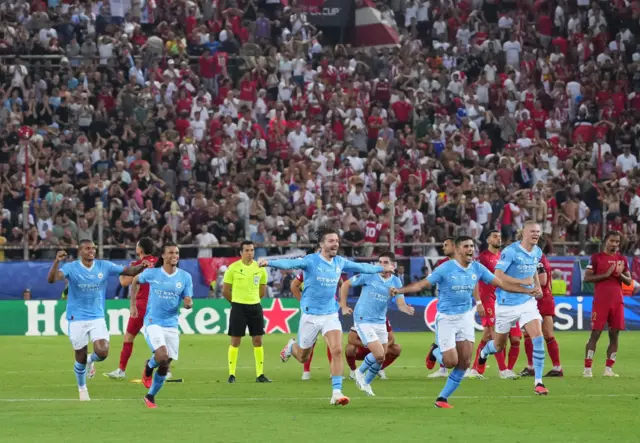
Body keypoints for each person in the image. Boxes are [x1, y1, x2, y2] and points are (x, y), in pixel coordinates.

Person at [391, 236, 537, 408]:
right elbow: (421, 285)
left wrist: (526, 291)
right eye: (466, 246)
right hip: (446, 318)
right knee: (450, 362)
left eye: (472, 246)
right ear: (458, 249)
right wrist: (399, 290)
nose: (470, 249)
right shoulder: (445, 268)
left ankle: (442, 398)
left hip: (466, 317)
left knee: (465, 363)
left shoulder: (477, 267)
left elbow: (501, 283)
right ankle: (434, 352)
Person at [258, 227, 394, 406]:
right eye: (331, 241)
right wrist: (268, 263)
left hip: (330, 314)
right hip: (310, 316)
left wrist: (380, 268)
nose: (335, 244)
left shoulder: (340, 262)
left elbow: (361, 266)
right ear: (321, 244)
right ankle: (292, 347)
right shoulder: (311, 261)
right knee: (303, 357)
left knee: (336, 349)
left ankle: (337, 393)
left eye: (337, 241)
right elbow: (290, 264)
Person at [46, 240, 150, 401]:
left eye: (94, 248)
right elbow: (52, 279)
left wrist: (142, 266)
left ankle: (91, 360)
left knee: (102, 351)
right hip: (76, 318)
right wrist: (57, 262)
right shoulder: (72, 267)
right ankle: (82, 388)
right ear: (80, 251)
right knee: (79, 357)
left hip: (97, 317)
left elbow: (130, 271)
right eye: (87, 248)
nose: (91, 251)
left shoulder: (104, 266)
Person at [475, 221, 550, 395]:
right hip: (505, 304)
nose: (536, 234)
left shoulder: (537, 251)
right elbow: (499, 277)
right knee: (499, 345)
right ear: (523, 233)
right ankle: (484, 353)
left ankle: (538, 382)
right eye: (532, 231)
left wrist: (537, 287)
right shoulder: (510, 251)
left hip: (527, 303)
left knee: (538, 337)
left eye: (538, 231)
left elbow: (532, 271)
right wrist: (522, 283)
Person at [339, 251, 414, 396]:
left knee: (381, 358)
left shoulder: (396, 281)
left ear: (393, 265)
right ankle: (359, 373)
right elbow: (345, 285)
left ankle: (366, 384)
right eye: (380, 262)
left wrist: (406, 309)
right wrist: (343, 306)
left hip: (380, 321)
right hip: (363, 319)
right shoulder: (369, 275)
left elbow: (400, 304)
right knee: (379, 353)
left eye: (385, 262)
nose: (381, 265)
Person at [133, 242, 194, 408]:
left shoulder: (185, 277)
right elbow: (135, 281)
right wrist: (133, 305)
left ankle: (150, 396)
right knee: (161, 356)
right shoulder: (152, 273)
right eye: (171, 253)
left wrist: (188, 304)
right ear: (163, 255)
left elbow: (188, 300)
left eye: (177, 253)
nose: (174, 256)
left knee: (166, 363)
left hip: (171, 324)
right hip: (153, 321)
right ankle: (149, 366)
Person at [104, 238, 164, 380]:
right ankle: (165, 370)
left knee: (129, 337)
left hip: (141, 305)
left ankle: (121, 370)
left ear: (140, 250)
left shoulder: (137, 265)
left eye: (137, 245)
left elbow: (124, 282)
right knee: (158, 337)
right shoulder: (159, 263)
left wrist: (120, 270)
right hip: (158, 304)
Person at [470, 230, 522, 379]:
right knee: (496, 335)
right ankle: (503, 370)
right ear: (487, 240)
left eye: (500, 236)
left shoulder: (502, 257)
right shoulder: (483, 258)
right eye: (494, 236)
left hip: (502, 301)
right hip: (488, 299)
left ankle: (475, 369)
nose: (498, 239)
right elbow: (474, 279)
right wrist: (478, 301)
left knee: (489, 336)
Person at [582, 231, 631, 377]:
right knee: (595, 333)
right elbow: (587, 278)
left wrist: (619, 273)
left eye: (617, 242)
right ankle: (587, 369)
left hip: (617, 300)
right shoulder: (596, 258)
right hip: (601, 301)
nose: (615, 244)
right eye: (612, 241)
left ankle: (608, 369)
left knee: (614, 335)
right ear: (605, 241)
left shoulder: (622, 259)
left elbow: (629, 281)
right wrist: (606, 274)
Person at [222, 240, 270, 383]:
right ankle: (232, 374)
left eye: (252, 250)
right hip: (238, 307)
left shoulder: (260, 268)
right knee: (235, 340)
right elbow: (225, 291)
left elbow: (262, 291)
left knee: (258, 340)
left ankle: (260, 375)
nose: (250, 253)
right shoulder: (233, 268)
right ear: (241, 252)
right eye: (247, 250)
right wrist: (236, 303)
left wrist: (252, 300)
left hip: (255, 307)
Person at [521, 247, 563, 377]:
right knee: (529, 334)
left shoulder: (537, 259)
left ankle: (556, 367)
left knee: (547, 334)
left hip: (541, 300)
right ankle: (532, 367)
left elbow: (543, 281)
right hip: (539, 299)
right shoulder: (540, 258)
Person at [291, 270, 334, 381]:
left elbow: (341, 283)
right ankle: (306, 370)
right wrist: (302, 301)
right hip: (310, 311)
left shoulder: (334, 266)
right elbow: (294, 285)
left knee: (332, 342)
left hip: (328, 311)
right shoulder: (307, 269)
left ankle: (333, 372)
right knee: (309, 344)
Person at [428, 237, 455, 379]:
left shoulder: (467, 263)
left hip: (462, 309)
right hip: (445, 309)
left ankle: (461, 368)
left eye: (446, 245)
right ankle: (442, 367)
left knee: (461, 342)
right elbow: (430, 281)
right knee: (444, 342)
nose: (443, 247)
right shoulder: (441, 264)